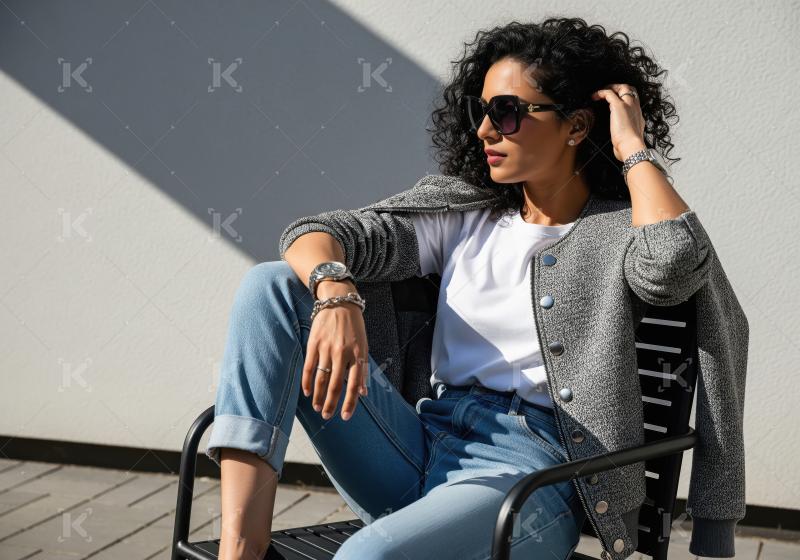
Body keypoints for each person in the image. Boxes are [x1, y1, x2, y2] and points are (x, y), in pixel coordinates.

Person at [205, 17, 741, 560]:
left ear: (577, 125)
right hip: (418, 446)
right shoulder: (465, 214)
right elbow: (315, 235)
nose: (486, 130)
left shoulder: (620, 230)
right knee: (272, 286)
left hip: (532, 481)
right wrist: (336, 291)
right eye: (481, 111)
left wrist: (631, 147)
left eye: (506, 112)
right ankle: (241, 549)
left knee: (368, 557)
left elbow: (673, 262)